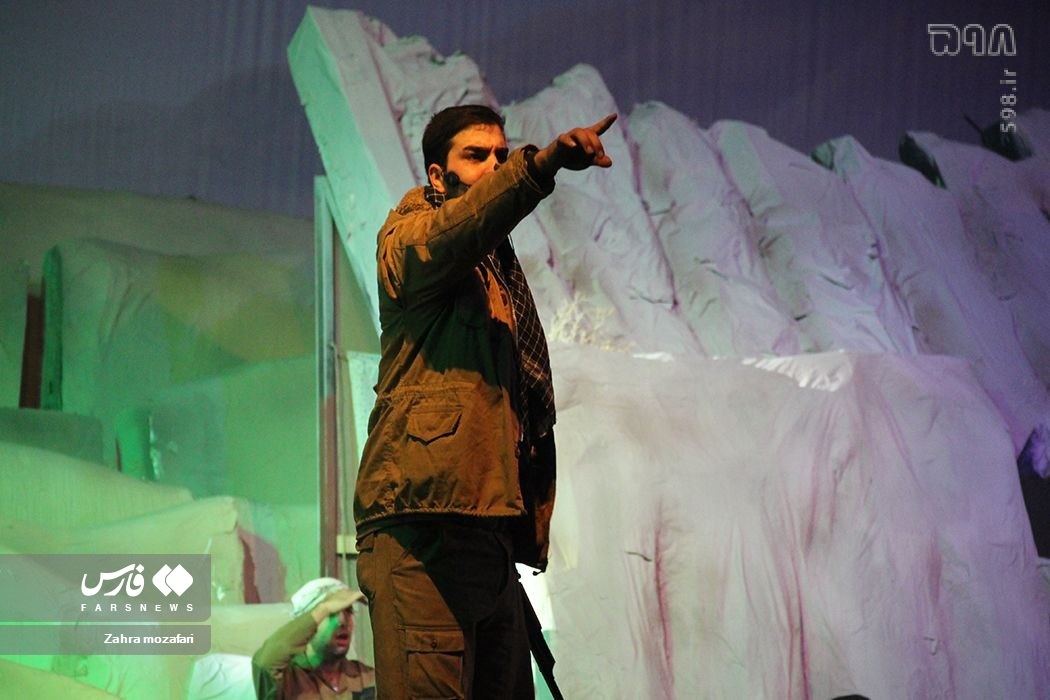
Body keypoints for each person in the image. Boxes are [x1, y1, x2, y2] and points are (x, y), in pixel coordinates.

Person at [354, 103, 616, 698]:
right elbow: (460, 228)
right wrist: (540, 164)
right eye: (476, 155)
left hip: (487, 534)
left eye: (501, 154)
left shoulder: (496, 268)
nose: (495, 165)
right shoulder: (410, 240)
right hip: (423, 534)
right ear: (437, 175)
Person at [253, 577, 376, 699]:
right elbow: (264, 664)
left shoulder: (365, 677)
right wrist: (323, 609)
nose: (342, 622)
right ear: (308, 628)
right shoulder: (288, 680)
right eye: (332, 613)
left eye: (348, 611)